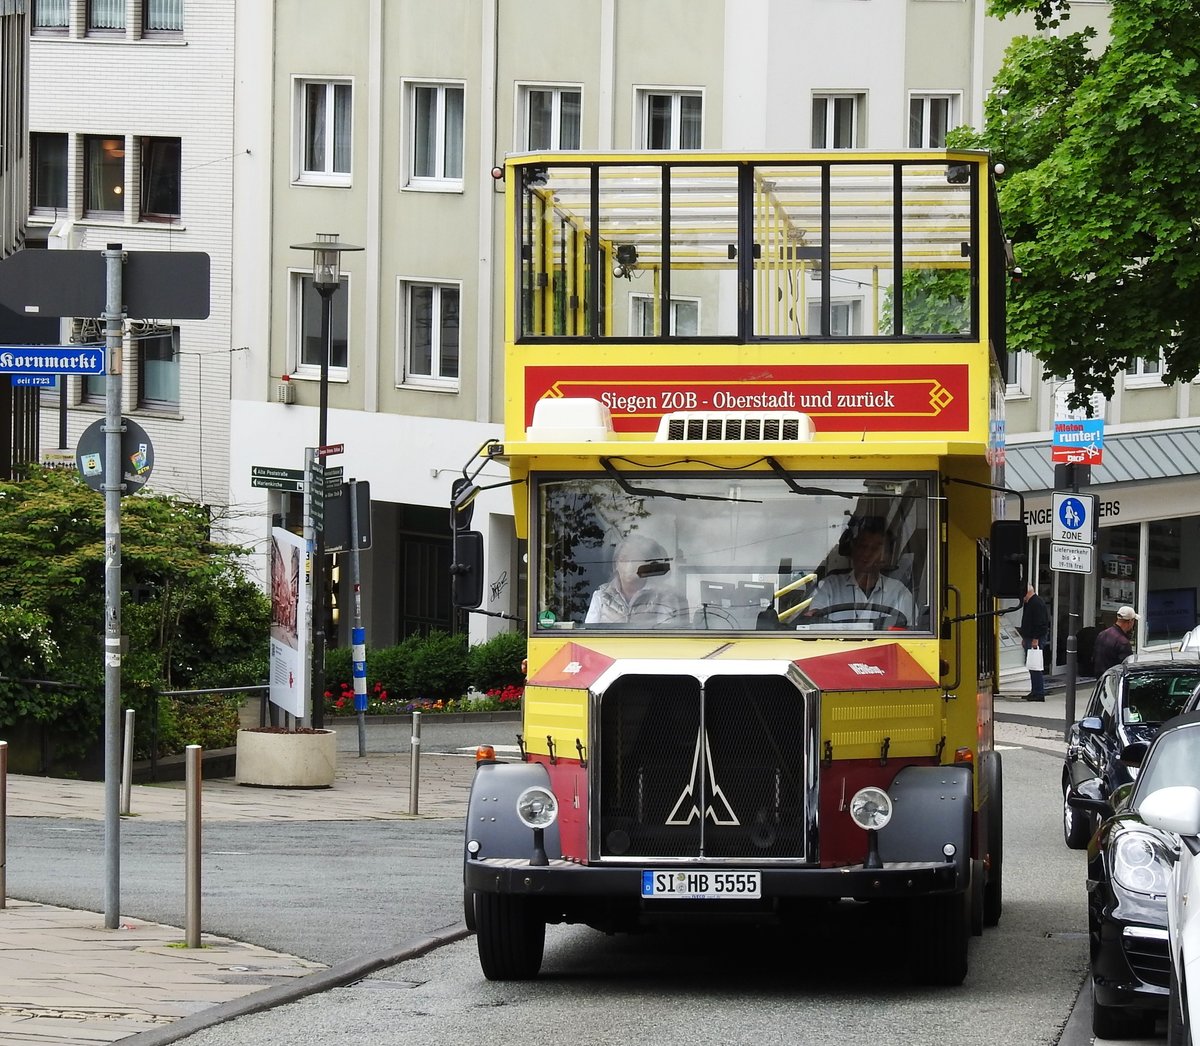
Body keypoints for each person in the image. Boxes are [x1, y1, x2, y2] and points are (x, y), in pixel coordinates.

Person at [806, 516, 915, 628]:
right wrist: (812, 616)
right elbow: (814, 621)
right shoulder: (829, 586)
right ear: (853, 549)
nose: (867, 553)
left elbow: (911, 632)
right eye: (863, 546)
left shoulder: (899, 592)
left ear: (886, 556)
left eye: (875, 549)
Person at [585, 535, 687, 626]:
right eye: (624, 560)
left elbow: (667, 637)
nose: (629, 566)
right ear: (616, 565)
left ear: (646, 565)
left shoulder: (663, 595)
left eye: (636, 559)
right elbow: (587, 637)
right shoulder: (601, 596)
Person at [1018, 584, 1050, 702]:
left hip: (1035, 638)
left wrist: (1035, 639)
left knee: (1035, 665)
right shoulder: (1031, 603)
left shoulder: (1036, 603)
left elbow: (1041, 623)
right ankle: (1035, 691)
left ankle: (1039, 692)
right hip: (1030, 637)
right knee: (1032, 665)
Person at [1093, 605, 1138, 676]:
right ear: (1130, 621)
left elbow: (1095, 656)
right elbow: (1127, 667)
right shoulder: (1123, 642)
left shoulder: (1102, 634)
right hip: (1113, 679)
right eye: (1134, 621)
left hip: (1101, 678)